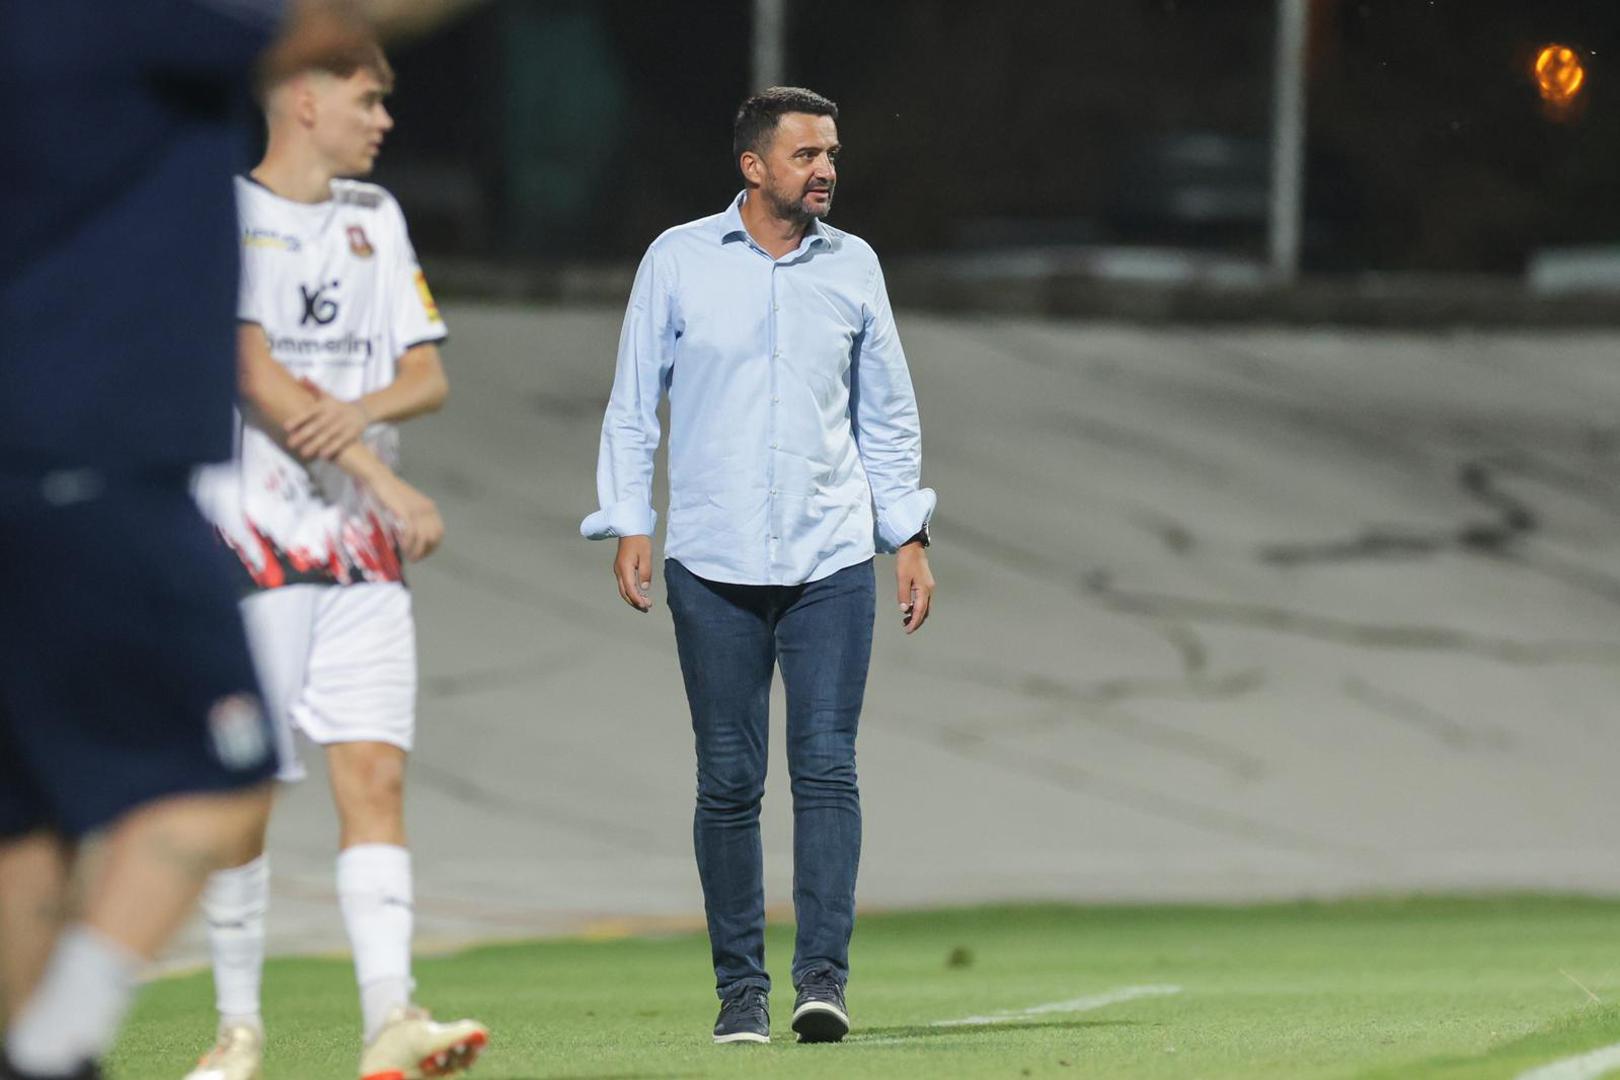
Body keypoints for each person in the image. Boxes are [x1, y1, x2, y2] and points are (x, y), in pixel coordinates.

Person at [581, 86, 938, 1046]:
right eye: (806, 154)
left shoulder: (854, 265)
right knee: (729, 781)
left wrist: (906, 534)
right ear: (753, 166)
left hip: (830, 556)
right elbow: (632, 403)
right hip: (713, 560)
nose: (826, 170)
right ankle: (740, 991)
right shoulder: (677, 260)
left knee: (826, 769)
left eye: (833, 154)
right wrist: (629, 519)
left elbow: (887, 413)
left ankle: (823, 981)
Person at [182, 35, 487, 1080]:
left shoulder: (376, 216)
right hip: (255, 542)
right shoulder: (227, 212)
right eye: (368, 100)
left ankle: (390, 1015)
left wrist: (359, 415)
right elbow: (254, 374)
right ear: (305, 100)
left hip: (359, 555)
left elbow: (426, 374)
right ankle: (237, 1030)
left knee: (376, 773)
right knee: (247, 793)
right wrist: (383, 477)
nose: (385, 120)